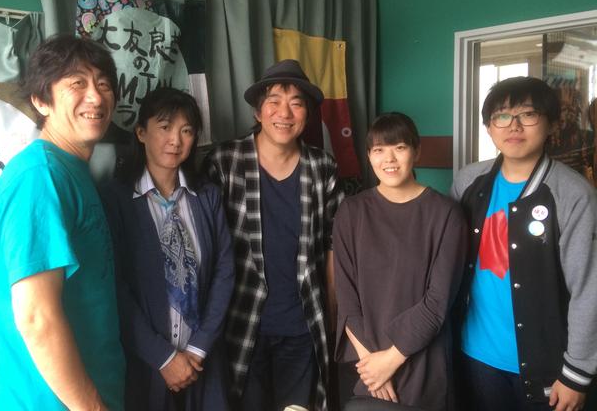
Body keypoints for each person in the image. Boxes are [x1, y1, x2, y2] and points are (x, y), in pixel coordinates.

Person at [0, 34, 125, 410]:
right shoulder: (39, 177)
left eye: (103, 84)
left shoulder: (69, 170)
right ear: (41, 100)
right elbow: (36, 317)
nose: (96, 97)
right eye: (77, 83)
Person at [203, 59, 343, 411]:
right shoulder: (225, 161)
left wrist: (332, 313)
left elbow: (332, 245)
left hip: (302, 324)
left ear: (307, 115)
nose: (285, 113)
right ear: (257, 111)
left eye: (296, 103)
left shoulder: (322, 167)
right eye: (274, 101)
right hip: (241, 320)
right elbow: (207, 245)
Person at [450, 76, 597, 411]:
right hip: (474, 357)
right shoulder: (468, 182)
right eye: (502, 116)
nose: (514, 126)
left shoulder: (574, 195)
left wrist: (577, 373)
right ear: (489, 127)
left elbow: (589, 289)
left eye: (528, 114)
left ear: (551, 124)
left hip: (548, 368)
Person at [101, 88, 235, 411]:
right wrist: (163, 357)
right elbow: (114, 287)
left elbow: (225, 272)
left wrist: (198, 349)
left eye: (186, 130)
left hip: (203, 360)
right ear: (141, 132)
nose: (175, 140)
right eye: (165, 127)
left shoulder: (207, 196)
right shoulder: (116, 199)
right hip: (145, 364)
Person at [333, 112, 467, 411]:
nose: (389, 159)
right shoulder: (351, 212)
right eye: (379, 150)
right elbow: (346, 297)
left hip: (424, 364)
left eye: (400, 147)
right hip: (365, 365)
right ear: (369, 156)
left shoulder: (447, 214)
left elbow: (437, 302)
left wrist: (390, 361)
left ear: (416, 152)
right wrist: (372, 367)